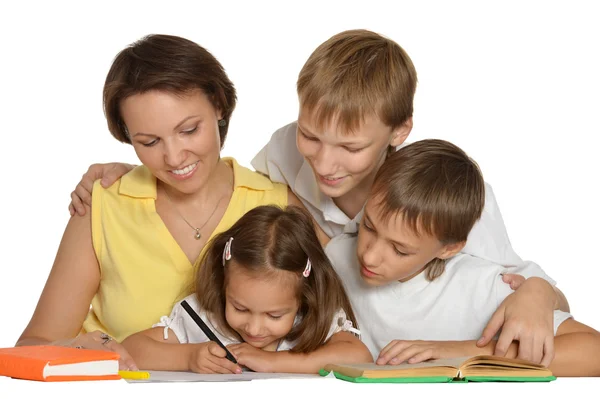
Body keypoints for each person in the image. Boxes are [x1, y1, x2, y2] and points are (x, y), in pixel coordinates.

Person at [67, 29, 568, 364]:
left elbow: (511, 283)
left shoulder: (439, 200)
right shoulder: (283, 153)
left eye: (350, 147)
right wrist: (136, 169)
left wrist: (537, 292)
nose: (324, 165)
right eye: (311, 136)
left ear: (400, 131)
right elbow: (212, 177)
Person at [15, 34, 300, 370]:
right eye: (149, 142)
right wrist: (77, 350)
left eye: (189, 130)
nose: (174, 157)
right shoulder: (101, 207)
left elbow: (344, 327)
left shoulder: (280, 206)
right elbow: (29, 349)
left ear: (219, 106)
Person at [325, 139, 600, 376]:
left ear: (449, 248)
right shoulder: (337, 258)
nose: (370, 257)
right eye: (369, 226)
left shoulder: (479, 286)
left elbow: (593, 350)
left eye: (400, 249)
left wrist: (456, 352)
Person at [122, 205, 370, 374]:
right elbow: (131, 349)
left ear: (304, 296)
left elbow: (359, 357)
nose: (254, 328)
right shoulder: (202, 316)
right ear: (224, 283)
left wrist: (275, 361)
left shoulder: (313, 319)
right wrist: (187, 357)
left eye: (274, 316)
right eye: (239, 308)